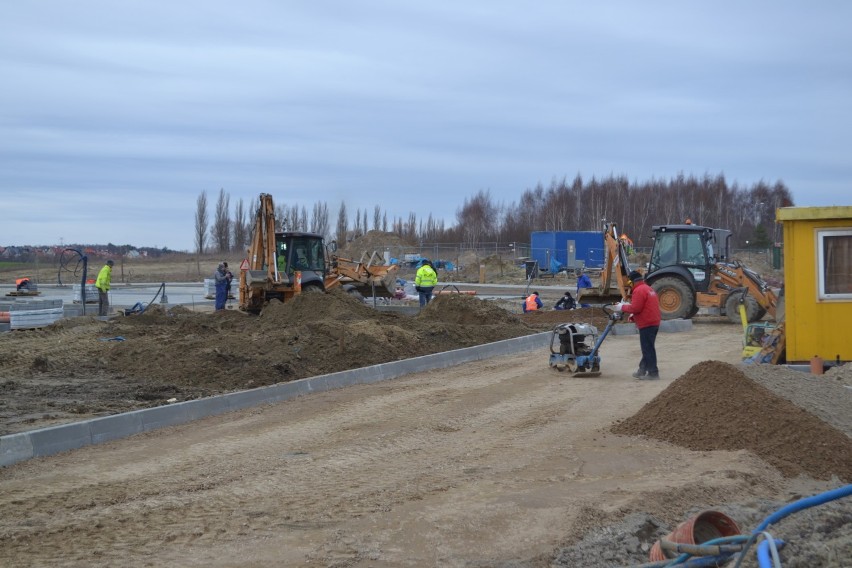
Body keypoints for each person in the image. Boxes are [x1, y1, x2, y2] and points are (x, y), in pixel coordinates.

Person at [615, 270, 662, 379]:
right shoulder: (648, 288)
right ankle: (642, 370)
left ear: (632, 282)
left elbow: (636, 308)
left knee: (647, 349)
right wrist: (633, 314)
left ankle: (653, 373)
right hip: (654, 322)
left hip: (647, 324)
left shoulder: (639, 290)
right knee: (648, 347)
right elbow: (645, 307)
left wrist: (621, 307)